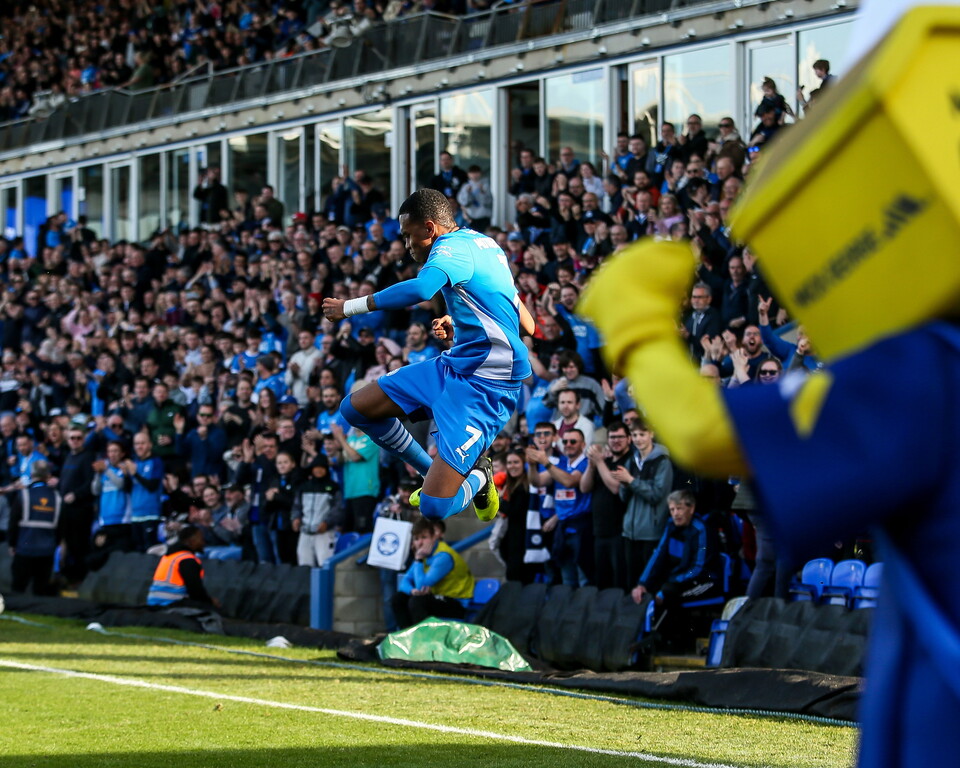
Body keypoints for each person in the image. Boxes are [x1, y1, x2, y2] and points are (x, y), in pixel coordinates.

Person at [323, 189, 536, 524]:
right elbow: (527, 322)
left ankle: (479, 477)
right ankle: (430, 472)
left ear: (430, 228)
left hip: (486, 388)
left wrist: (349, 307)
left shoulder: (447, 251)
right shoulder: (484, 244)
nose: (406, 245)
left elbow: (423, 290)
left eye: (408, 236)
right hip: (453, 366)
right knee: (354, 408)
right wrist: (463, 323)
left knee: (434, 508)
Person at [631, 490, 723, 642]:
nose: (675, 514)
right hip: (681, 579)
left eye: (679, 508)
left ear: (691, 508)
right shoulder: (670, 527)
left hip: (706, 580)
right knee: (653, 590)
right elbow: (658, 556)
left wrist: (671, 583)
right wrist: (642, 584)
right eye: (672, 510)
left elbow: (698, 568)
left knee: (669, 593)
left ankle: (673, 639)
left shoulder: (701, 530)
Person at [616, 421, 674, 589]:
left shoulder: (662, 462)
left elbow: (657, 495)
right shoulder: (631, 461)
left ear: (651, 435)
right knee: (631, 581)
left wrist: (631, 481)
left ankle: (650, 615)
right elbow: (623, 496)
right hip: (630, 531)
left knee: (649, 582)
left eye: (642, 434)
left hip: (651, 532)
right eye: (634, 435)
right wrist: (625, 484)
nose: (638, 439)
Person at [391, 518, 475, 629]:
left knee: (417, 602)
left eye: (424, 538)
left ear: (433, 538)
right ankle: (406, 636)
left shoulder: (443, 556)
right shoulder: (423, 555)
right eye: (416, 539)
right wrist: (412, 591)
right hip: (436, 598)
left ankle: (424, 639)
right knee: (398, 599)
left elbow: (422, 586)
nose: (420, 542)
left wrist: (419, 560)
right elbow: (404, 582)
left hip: (457, 603)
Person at [580, 421, 632, 591]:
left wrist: (599, 462)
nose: (616, 440)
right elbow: (584, 487)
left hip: (619, 532)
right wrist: (591, 465)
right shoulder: (604, 460)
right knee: (602, 581)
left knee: (619, 581)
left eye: (620, 437)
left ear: (629, 439)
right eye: (612, 437)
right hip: (599, 531)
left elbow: (615, 488)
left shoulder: (629, 461)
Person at [7, 461, 60, 596]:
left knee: (18, 589)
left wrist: (12, 544)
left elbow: (13, 523)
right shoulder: (57, 498)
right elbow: (61, 528)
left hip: (24, 549)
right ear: (48, 476)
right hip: (47, 552)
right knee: (40, 592)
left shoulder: (24, 495)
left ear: (31, 474)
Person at [146, 524, 217, 608]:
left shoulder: (171, 556)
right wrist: (210, 601)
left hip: (155, 602)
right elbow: (195, 591)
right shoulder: (187, 559)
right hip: (171, 603)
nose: (203, 542)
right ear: (191, 541)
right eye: (200, 539)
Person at [292, 454, 343, 567]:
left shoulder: (333, 487)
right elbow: (297, 506)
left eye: (322, 467)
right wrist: (295, 518)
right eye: (316, 467)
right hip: (305, 531)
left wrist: (327, 522)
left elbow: (338, 509)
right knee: (304, 565)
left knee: (325, 565)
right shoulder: (304, 487)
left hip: (324, 532)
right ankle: (305, 585)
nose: (318, 470)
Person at [125, 432, 164, 552]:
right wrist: (127, 475)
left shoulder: (156, 462)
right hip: (135, 515)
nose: (139, 446)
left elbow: (152, 486)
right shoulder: (134, 463)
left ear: (150, 445)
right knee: (138, 550)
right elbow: (128, 488)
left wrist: (135, 474)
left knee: (150, 550)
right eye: (136, 443)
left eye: (142, 443)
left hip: (150, 514)